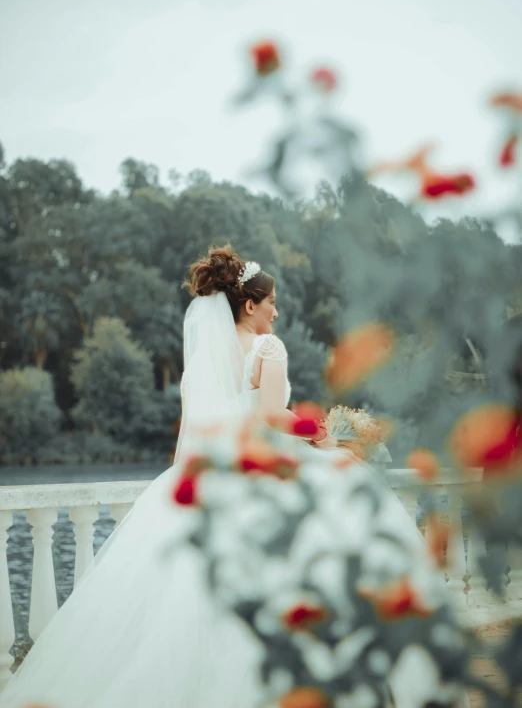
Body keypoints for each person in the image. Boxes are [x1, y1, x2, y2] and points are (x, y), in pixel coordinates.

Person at [0, 246, 456, 708]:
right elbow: (275, 415)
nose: (277, 312)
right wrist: (322, 434)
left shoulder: (201, 362)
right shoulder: (267, 346)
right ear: (249, 304)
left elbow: (198, 429)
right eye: (272, 302)